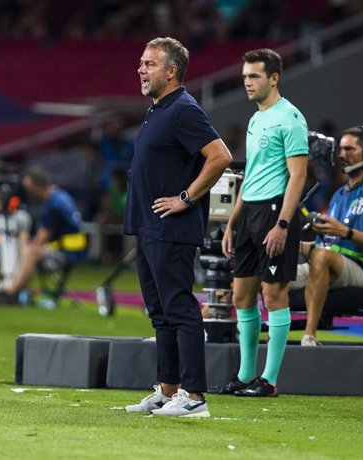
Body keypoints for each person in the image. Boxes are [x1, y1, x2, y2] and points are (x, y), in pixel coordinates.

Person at [123, 37, 232, 418]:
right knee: (160, 312)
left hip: (172, 228)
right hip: (149, 227)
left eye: (149, 64)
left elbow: (220, 156)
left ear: (171, 72)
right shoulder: (159, 109)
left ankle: (195, 396)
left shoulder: (184, 108)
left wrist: (185, 198)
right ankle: (168, 390)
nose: (141, 69)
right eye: (141, 62)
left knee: (180, 309)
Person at [210, 48, 308, 397]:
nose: (247, 83)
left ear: (273, 78)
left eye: (254, 77)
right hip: (250, 210)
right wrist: (233, 222)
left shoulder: (290, 118)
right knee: (241, 297)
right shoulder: (255, 119)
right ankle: (245, 376)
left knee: (274, 292)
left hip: (274, 211)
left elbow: (297, 176)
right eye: (245, 77)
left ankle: (269, 381)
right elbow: (250, 174)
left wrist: (282, 224)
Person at [293, 125, 363, 346]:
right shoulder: (339, 194)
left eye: (350, 149)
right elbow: (326, 245)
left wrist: (344, 231)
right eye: (340, 149)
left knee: (321, 257)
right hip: (331, 260)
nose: (342, 155)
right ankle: (270, 338)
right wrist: (289, 245)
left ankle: (309, 335)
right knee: (275, 269)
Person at [0, 168, 86, 302]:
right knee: (25, 241)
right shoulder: (60, 196)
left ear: (38, 186)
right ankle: (19, 288)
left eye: (29, 189)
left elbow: (43, 237)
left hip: (67, 254)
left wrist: (27, 248)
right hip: (72, 250)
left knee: (31, 252)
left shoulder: (53, 204)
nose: (29, 193)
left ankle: (12, 291)